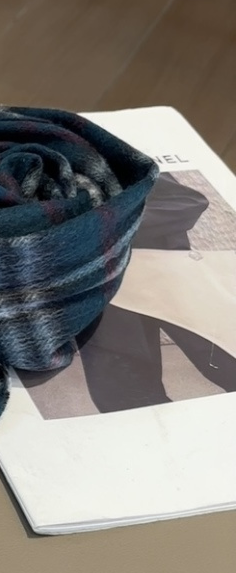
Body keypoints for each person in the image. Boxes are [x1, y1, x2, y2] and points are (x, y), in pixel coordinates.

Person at [80, 172, 236, 413]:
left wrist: (106, 227)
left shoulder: (123, 164)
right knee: (124, 394)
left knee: (221, 356)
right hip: (106, 292)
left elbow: (188, 202)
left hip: (166, 275)